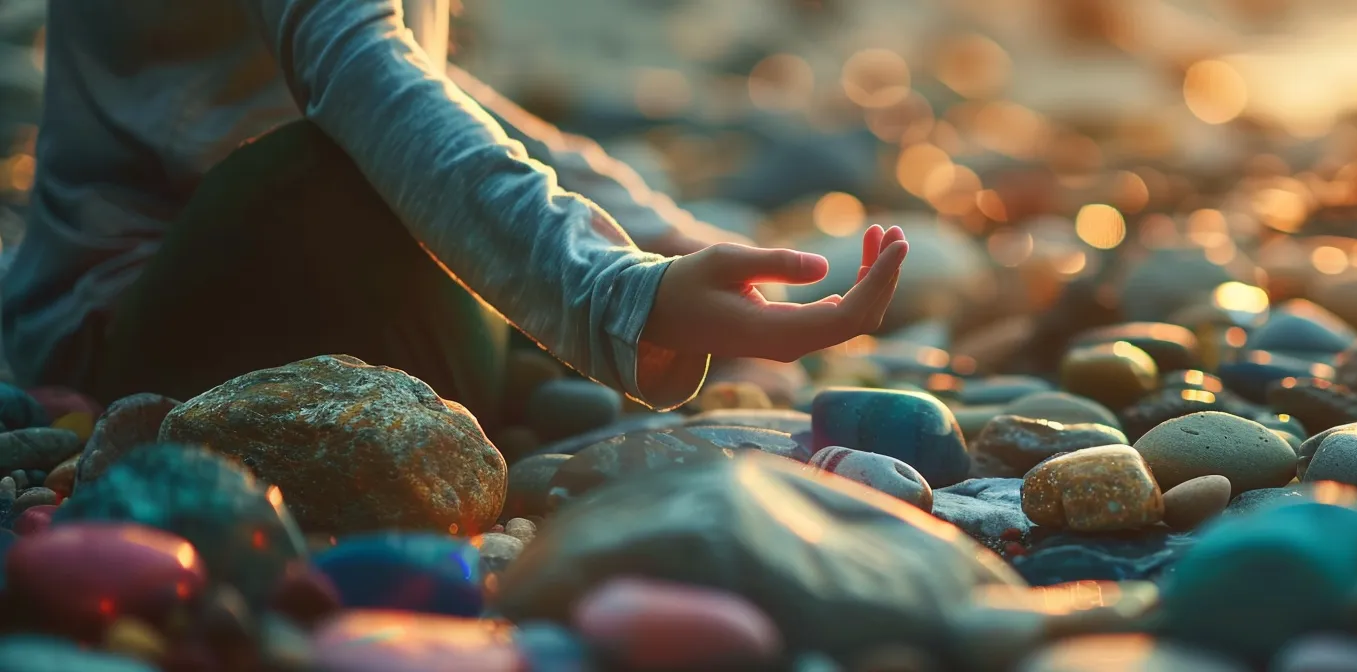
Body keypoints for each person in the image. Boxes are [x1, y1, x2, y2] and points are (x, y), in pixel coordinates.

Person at [2, 0, 906, 419]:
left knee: (381, 143)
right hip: (122, 335)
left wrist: (654, 236)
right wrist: (618, 295)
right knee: (333, 163)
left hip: (312, 310)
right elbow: (363, 79)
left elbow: (419, 85)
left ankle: (504, 365)